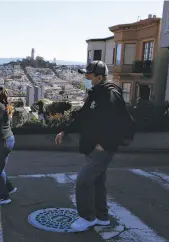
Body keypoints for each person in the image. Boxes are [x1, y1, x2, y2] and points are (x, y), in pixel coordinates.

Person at [55, 61, 129, 231]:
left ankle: (87, 217)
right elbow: (83, 118)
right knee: (97, 182)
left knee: (83, 181)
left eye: (89, 76)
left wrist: (105, 143)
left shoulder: (110, 93)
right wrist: (65, 131)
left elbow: (119, 122)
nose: (86, 79)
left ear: (99, 77)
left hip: (101, 149)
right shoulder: (96, 93)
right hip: (93, 147)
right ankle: (102, 216)